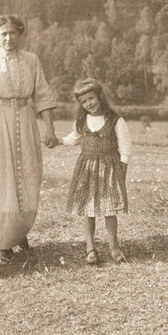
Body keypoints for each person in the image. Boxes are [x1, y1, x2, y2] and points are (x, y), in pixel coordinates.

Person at [0, 15, 60, 263]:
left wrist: (50, 129)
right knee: (0, 178)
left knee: (27, 175)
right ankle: (2, 240)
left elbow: (42, 95)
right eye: (3, 34)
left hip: (26, 121)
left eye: (13, 33)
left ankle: (18, 232)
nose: (8, 38)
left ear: (20, 34)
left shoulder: (31, 60)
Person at [59, 78, 132, 265]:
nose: (88, 103)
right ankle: (90, 248)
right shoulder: (81, 120)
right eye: (83, 101)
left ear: (100, 96)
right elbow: (74, 138)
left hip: (109, 168)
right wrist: (58, 141)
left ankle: (114, 248)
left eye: (91, 98)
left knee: (109, 210)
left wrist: (122, 171)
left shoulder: (115, 119)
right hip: (87, 169)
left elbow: (125, 147)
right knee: (88, 209)